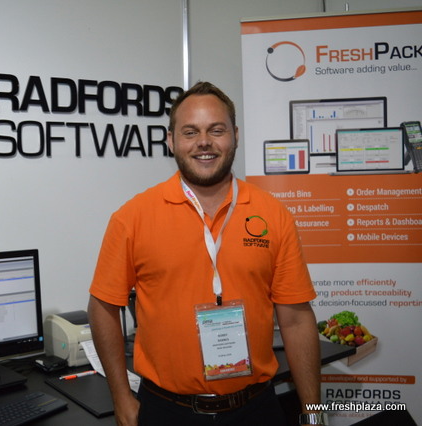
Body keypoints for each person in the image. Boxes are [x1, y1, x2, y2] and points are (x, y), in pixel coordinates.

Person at [88, 81, 325, 426]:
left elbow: (296, 319)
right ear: (171, 140)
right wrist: (121, 396)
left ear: (235, 136)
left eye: (216, 130)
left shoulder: (274, 215)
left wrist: (314, 414)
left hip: (256, 409)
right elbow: (102, 307)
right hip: (167, 412)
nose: (204, 142)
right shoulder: (132, 218)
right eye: (190, 132)